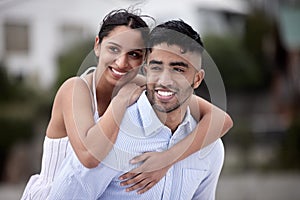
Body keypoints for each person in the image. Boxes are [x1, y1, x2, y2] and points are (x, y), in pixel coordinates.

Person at [21, 8, 232, 199]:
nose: (122, 63)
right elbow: (88, 157)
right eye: (113, 49)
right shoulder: (75, 89)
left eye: (134, 54)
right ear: (97, 45)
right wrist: (121, 101)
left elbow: (220, 119)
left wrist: (167, 159)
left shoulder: (146, 84)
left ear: (143, 61)